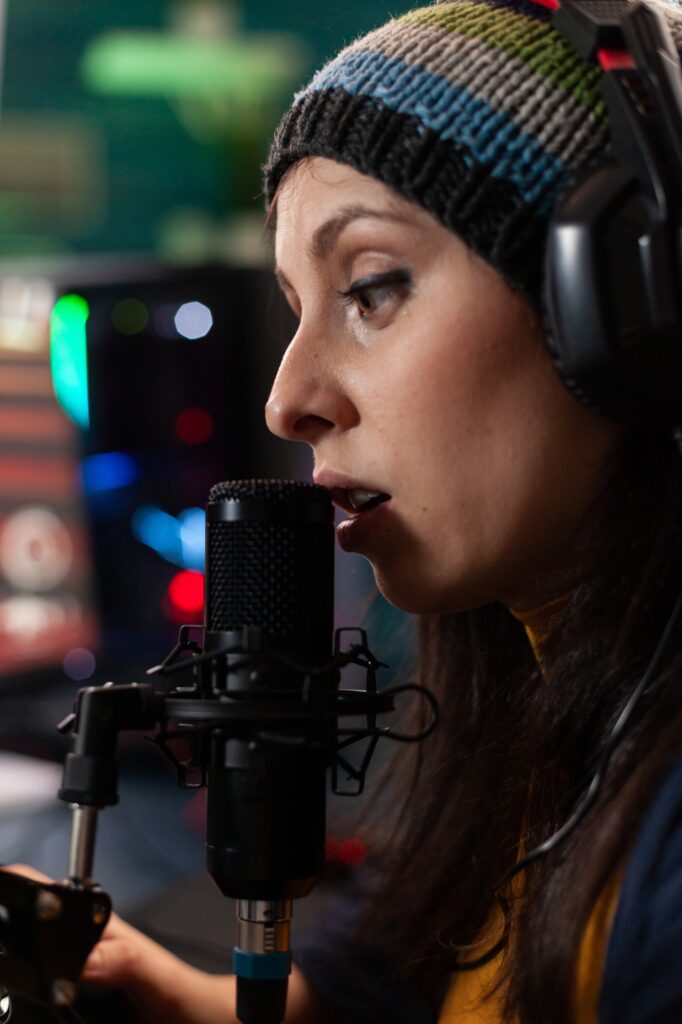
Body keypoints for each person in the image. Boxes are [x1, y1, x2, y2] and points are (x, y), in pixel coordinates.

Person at [8, 0, 682, 1020]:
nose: (288, 400)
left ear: (622, 306)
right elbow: (382, 992)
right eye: (295, 309)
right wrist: (163, 999)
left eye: (371, 287)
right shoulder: (530, 726)